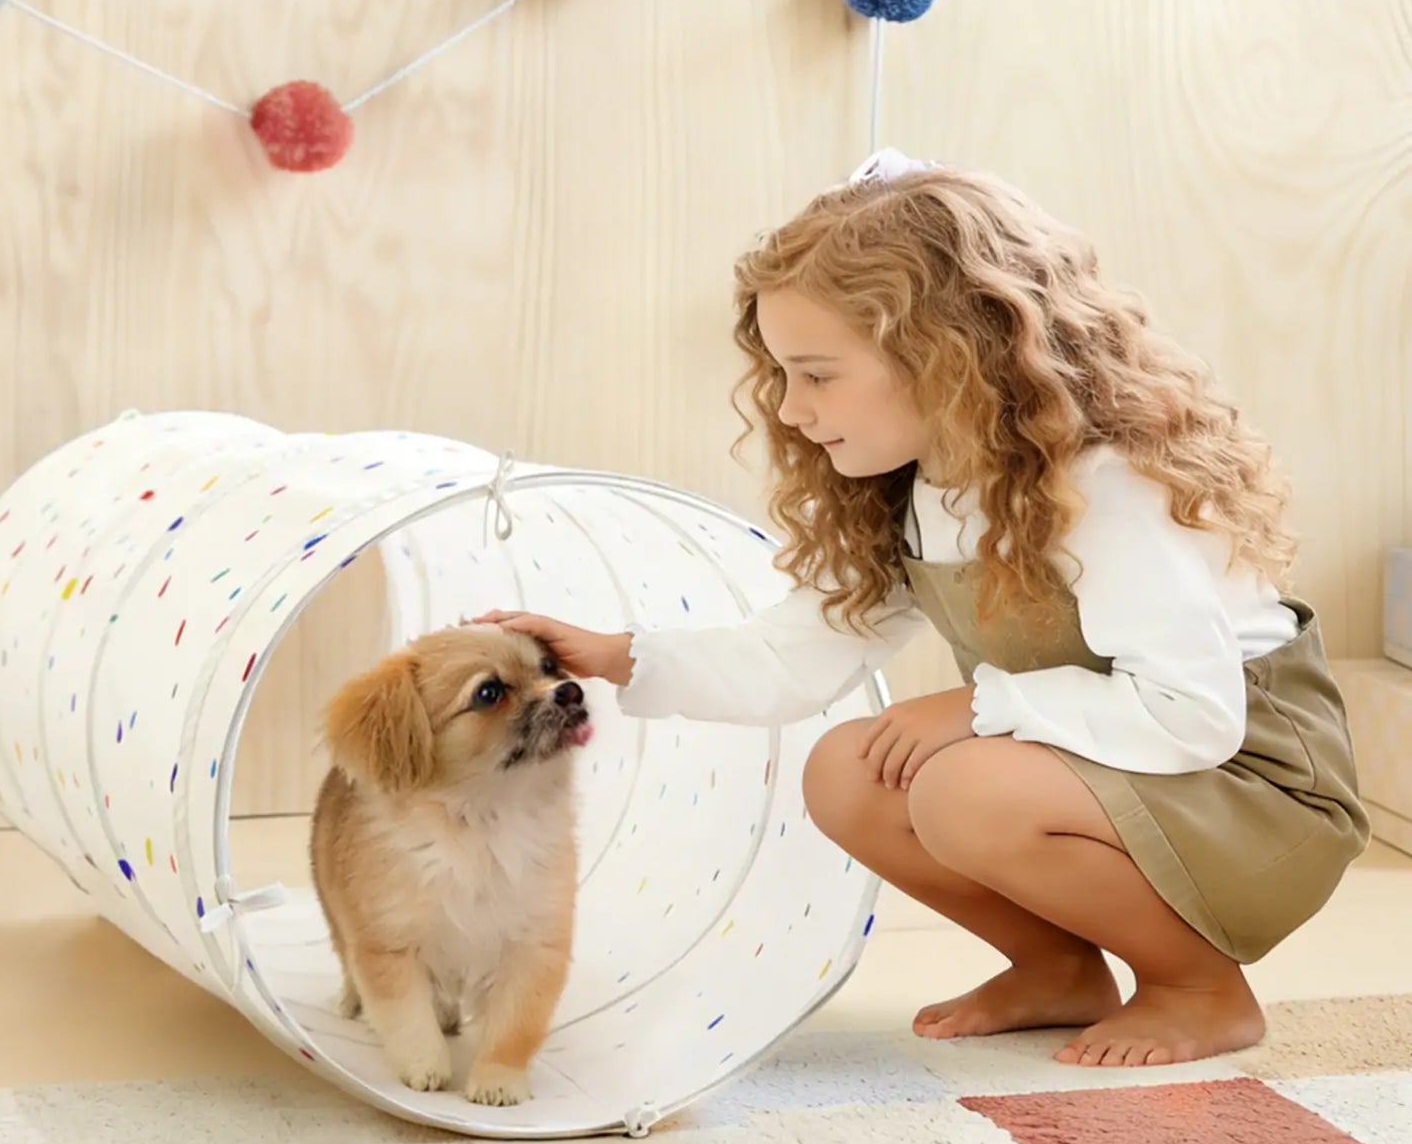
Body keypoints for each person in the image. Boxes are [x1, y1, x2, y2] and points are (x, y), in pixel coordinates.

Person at [479, 149, 1369, 1069]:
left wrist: (974, 709)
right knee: (848, 770)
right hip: (1122, 772)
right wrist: (611, 653)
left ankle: (1199, 989)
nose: (788, 410)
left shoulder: (1105, 490)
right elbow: (788, 663)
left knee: (958, 786)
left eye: (817, 374)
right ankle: (1059, 968)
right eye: (783, 374)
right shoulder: (921, 488)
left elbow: (1193, 716)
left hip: (1249, 793)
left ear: (947, 359)